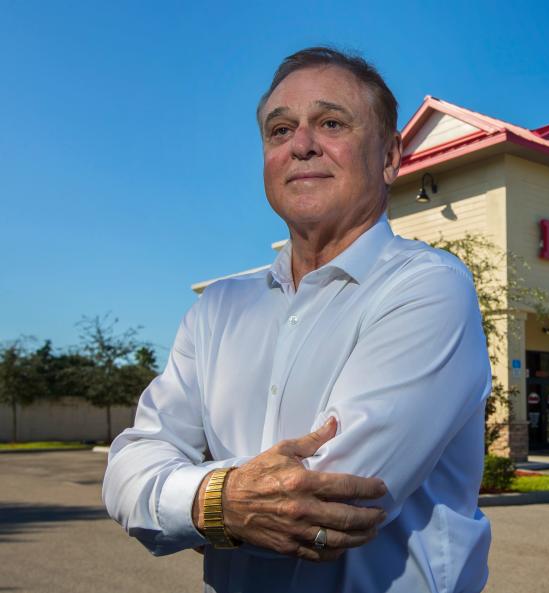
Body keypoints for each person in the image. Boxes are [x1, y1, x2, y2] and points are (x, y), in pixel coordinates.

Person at [102, 46, 493, 592]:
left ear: (389, 156)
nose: (302, 145)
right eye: (279, 130)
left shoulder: (427, 288)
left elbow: (327, 502)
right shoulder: (217, 309)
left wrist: (183, 495)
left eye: (330, 122)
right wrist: (224, 501)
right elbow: (127, 467)